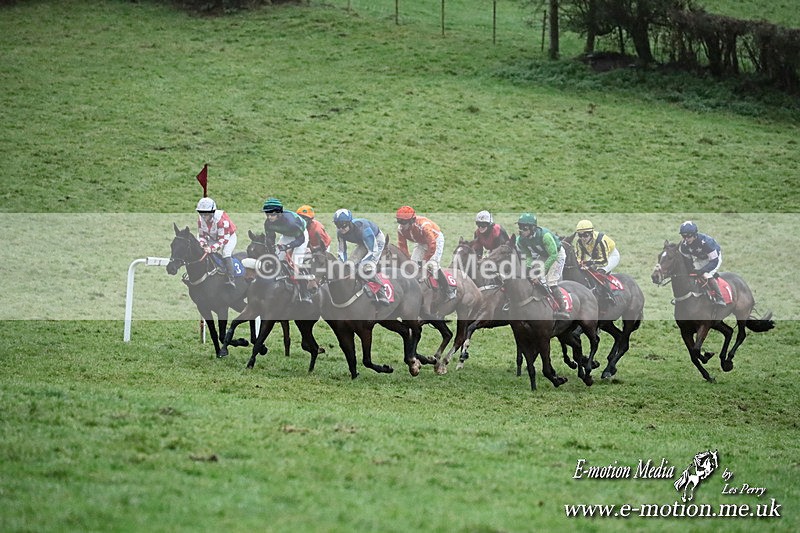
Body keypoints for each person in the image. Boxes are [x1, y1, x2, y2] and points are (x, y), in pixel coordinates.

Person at [515, 213, 569, 319]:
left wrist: (541, 272)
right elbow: (529, 256)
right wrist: (529, 268)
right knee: (531, 277)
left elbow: (553, 255)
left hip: (557, 254)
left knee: (551, 281)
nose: (521, 230)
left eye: (524, 228)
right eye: (520, 227)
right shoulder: (520, 240)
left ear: (532, 228)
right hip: (544, 255)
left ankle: (563, 310)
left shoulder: (545, 236)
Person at [396, 205, 455, 300]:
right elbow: (403, 246)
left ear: (411, 220)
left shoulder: (424, 226)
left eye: (403, 222)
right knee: (412, 264)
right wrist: (407, 259)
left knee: (432, 265)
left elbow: (432, 245)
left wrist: (424, 261)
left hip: (435, 240)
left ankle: (448, 290)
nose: (401, 224)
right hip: (421, 242)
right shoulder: (401, 229)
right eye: (399, 221)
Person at [333, 208, 390, 305]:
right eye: (337, 225)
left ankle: (381, 292)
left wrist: (361, 264)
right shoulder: (340, 233)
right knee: (349, 264)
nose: (341, 229)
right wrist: (342, 264)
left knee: (366, 267)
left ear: (349, 222)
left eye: (343, 225)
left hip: (376, 241)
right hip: (362, 243)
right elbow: (342, 251)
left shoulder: (363, 229)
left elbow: (373, 250)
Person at [262, 197, 312, 303]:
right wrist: (272, 252)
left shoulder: (291, 222)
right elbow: (270, 238)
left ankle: (305, 293)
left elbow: (301, 240)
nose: (269, 217)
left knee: (295, 264)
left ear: (279, 214)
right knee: (277, 259)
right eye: (267, 214)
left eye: (272, 215)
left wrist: (287, 247)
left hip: (300, 236)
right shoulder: (268, 223)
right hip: (287, 235)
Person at [678, 221, 726, 306]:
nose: (686, 239)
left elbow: (714, 261)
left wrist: (703, 270)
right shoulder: (684, 246)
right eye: (684, 236)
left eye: (689, 236)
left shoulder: (707, 243)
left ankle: (720, 298)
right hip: (701, 258)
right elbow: (688, 261)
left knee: (705, 275)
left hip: (714, 258)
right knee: (692, 273)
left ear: (695, 235)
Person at [573, 219, 620, 306]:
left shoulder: (600, 241)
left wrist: (589, 263)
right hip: (596, 256)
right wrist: (581, 264)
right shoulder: (579, 242)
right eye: (580, 235)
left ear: (591, 233)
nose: (583, 238)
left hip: (610, 256)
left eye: (585, 235)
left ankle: (608, 295)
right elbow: (579, 258)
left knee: (600, 272)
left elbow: (603, 261)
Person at [196, 197, 237, 288]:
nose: (203, 216)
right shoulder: (200, 219)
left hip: (228, 237)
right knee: (202, 251)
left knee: (226, 253)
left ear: (212, 212)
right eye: (201, 213)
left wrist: (211, 248)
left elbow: (223, 240)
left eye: (206, 213)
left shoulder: (221, 220)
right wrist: (203, 244)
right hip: (213, 237)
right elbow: (201, 236)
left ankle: (231, 278)